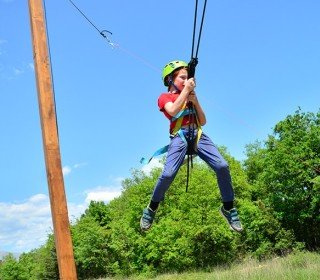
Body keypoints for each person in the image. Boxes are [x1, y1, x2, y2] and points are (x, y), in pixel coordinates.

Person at [140, 60, 243, 232]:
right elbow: (172, 111)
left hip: (197, 134)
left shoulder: (190, 96)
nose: (187, 81)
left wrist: (195, 102)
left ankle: (228, 207)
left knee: (222, 166)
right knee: (168, 174)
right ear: (170, 80)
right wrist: (187, 91)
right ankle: (151, 208)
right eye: (183, 77)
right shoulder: (165, 97)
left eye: (188, 78)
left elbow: (203, 120)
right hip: (179, 136)